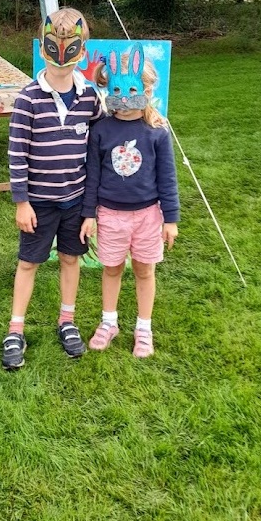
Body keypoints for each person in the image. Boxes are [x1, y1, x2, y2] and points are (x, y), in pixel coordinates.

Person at [2, 7, 102, 370]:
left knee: (70, 258)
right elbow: (17, 153)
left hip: (75, 200)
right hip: (39, 203)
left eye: (71, 48)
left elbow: (99, 146)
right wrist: (21, 202)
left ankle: (67, 320)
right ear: (43, 48)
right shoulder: (28, 98)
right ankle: (16, 328)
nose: (62, 57)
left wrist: (90, 208)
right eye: (54, 47)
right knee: (29, 262)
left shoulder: (90, 98)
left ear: (82, 50)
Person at [80, 45, 179, 358]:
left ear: (146, 89)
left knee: (144, 271)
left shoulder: (157, 132)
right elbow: (92, 175)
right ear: (108, 88)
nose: (124, 98)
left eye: (132, 89)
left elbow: (167, 179)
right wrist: (89, 214)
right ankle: (109, 322)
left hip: (148, 216)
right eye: (117, 89)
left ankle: (143, 327)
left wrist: (171, 219)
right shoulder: (101, 130)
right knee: (111, 270)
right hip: (109, 215)